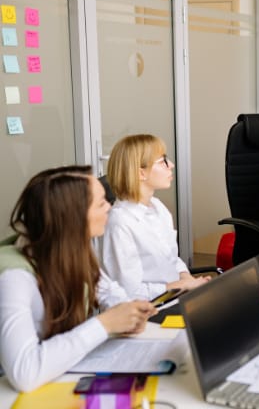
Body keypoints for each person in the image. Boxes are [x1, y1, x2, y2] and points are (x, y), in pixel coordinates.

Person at [0, 166, 157, 391]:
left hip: (56, 377)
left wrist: (128, 313)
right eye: (101, 203)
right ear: (74, 217)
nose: (110, 208)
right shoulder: (14, 277)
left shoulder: (71, 251)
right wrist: (105, 323)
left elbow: (106, 290)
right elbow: (25, 373)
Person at [98, 134, 208, 301]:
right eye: (163, 161)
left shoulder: (158, 208)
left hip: (173, 298)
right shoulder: (119, 222)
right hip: (145, 310)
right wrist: (178, 286)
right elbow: (128, 292)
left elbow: (171, 259)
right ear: (141, 173)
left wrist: (187, 278)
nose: (171, 165)